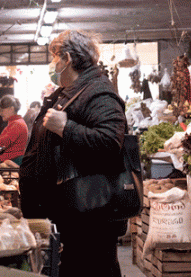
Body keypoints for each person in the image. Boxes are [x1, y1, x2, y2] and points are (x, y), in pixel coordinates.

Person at [19, 30, 127, 277]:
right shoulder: (72, 91)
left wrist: (66, 128)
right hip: (74, 216)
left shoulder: (99, 93)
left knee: (94, 269)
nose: (52, 63)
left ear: (67, 59)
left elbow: (110, 143)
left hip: (92, 217)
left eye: (54, 56)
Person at [0, 95, 28, 166]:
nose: (0, 113)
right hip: (12, 159)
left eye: (2, 110)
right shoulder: (15, 122)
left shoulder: (17, 124)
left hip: (14, 161)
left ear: (11, 109)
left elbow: (2, 143)